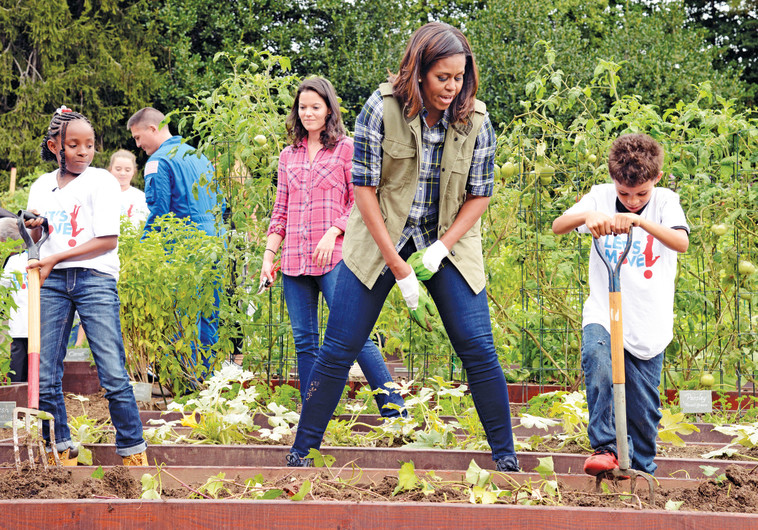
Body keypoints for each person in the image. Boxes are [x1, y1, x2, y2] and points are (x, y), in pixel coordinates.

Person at [286, 22, 519, 471]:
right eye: (442, 78)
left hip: (448, 239)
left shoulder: (477, 120)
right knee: (339, 347)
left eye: (459, 77)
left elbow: (481, 193)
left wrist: (440, 249)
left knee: (478, 347)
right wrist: (397, 265)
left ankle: (506, 460)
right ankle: (300, 455)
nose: (452, 87)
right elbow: (365, 190)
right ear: (418, 70)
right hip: (380, 237)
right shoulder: (382, 107)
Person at [260, 77, 405, 414]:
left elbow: (360, 201)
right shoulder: (287, 156)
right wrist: (269, 256)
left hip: (335, 258)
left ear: (329, 110)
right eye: (303, 107)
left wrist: (333, 232)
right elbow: (279, 210)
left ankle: (395, 409)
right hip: (294, 260)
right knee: (305, 343)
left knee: (353, 334)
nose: (308, 113)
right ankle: (315, 414)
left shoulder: (347, 149)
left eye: (315, 107)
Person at [552, 133, 689, 476]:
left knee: (644, 409)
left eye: (640, 194)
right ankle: (606, 447)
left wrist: (640, 221)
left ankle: (642, 469)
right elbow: (558, 226)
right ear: (613, 180)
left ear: (656, 179)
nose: (630, 200)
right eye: (623, 193)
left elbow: (681, 242)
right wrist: (588, 218)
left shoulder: (665, 202)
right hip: (604, 310)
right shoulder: (600, 197)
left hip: (648, 322)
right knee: (597, 362)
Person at [26, 106, 147, 466]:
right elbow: (37, 239)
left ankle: (132, 450)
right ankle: (60, 447)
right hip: (53, 281)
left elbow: (107, 240)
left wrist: (54, 258)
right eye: (74, 144)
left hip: (94, 278)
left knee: (111, 371)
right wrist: (34, 227)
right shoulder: (40, 186)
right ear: (54, 146)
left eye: (90, 145)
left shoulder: (102, 181)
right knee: (46, 372)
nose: (84, 151)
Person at [127, 107, 221, 370]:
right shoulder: (198, 155)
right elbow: (220, 201)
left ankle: (186, 378)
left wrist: (141, 251)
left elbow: (159, 212)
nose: (138, 144)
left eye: (137, 137)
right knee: (209, 310)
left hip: (184, 246)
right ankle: (209, 375)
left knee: (184, 314)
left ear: (152, 129)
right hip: (214, 242)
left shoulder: (159, 161)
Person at [0, 217, 28, 382]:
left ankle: (18, 398)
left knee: (17, 368)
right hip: (40, 326)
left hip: (18, 325)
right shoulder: (41, 257)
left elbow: (2, 290)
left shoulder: (12, 261)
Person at [109, 149, 148, 227]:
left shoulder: (141, 198)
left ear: (133, 171)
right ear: (110, 169)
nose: (122, 173)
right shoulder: (101, 194)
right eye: (118, 169)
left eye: (127, 170)